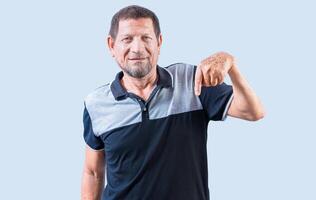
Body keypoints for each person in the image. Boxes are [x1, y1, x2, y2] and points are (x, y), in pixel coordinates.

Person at [81, 5, 265, 200]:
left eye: (146, 38)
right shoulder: (96, 104)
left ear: (159, 42)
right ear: (111, 45)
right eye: (127, 39)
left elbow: (253, 111)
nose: (137, 48)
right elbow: (93, 172)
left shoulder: (191, 81)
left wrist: (231, 64)